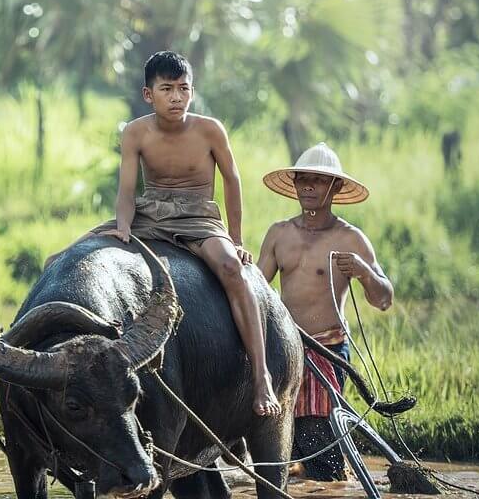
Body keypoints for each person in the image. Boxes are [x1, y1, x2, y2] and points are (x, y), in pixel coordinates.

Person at [66, 50, 280, 416]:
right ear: (148, 94)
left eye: (184, 89)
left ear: (192, 92)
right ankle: (24, 370)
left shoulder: (209, 129)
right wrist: (121, 226)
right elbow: (127, 191)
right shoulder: (135, 132)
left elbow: (232, 180)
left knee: (231, 269)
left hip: (198, 217)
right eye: (167, 89)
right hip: (151, 214)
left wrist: (237, 238)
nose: (176, 97)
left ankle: (262, 376)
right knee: (64, 258)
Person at [255, 142, 394, 480]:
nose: (309, 188)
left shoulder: (350, 239)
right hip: (285, 349)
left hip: (327, 350)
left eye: (318, 181)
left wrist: (362, 270)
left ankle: (328, 479)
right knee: (279, 442)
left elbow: (384, 299)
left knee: (318, 441)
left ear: (336, 187)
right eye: (303, 180)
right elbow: (257, 291)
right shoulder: (279, 234)